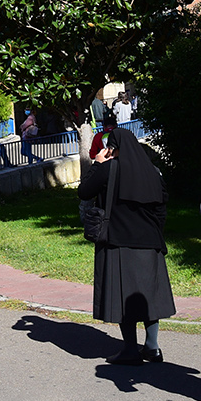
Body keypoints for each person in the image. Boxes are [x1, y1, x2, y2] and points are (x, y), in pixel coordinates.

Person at [76, 127, 174, 364]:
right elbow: (162, 207)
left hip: (118, 241)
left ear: (114, 148)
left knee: (123, 295)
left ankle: (130, 349)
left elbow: (84, 191)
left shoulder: (109, 169)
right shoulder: (153, 172)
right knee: (149, 294)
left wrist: (97, 163)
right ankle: (152, 347)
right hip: (150, 242)